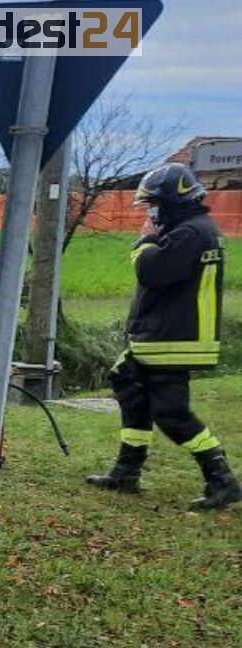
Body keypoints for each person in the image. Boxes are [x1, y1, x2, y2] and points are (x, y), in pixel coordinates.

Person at [86, 163, 241, 510]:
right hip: (168, 334)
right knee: (127, 382)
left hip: (173, 338)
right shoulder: (196, 229)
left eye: (154, 206)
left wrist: (144, 241)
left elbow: (152, 272)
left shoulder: (189, 233)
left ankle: (222, 479)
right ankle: (127, 470)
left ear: (172, 202)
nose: (151, 213)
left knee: (171, 412)